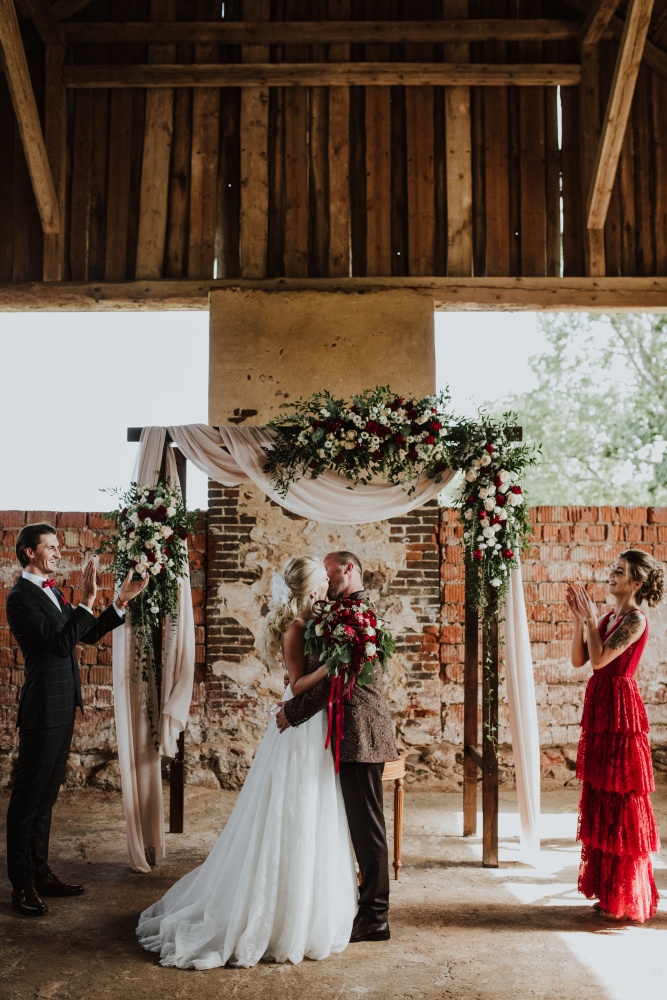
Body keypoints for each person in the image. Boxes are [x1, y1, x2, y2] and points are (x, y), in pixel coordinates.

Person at [136, 555, 357, 968]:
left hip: (316, 726)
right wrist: (331, 666)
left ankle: (308, 910)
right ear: (312, 589)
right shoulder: (295, 628)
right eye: (323, 583)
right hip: (299, 727)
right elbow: (296, 684)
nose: (329, 588)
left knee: (315, 808)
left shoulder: (317, 619)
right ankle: (270, 916)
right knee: (291, 808)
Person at [6, 522, 147, 917]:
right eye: (50, 546)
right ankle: (21, 885)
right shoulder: (20, 599)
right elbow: (59, 644)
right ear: (29, 552)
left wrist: (118, 603)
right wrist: (86, 600)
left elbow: (83, 635)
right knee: (27, 799)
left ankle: (41, 873)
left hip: (63, 705)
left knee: (47, 796)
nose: (57, 551)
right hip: (42, 709)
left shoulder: (52, 593)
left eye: (58, 545)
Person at [276, 550, 398, 944]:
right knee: (358, 826)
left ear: (349, 568)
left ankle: (375, 917)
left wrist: (294, 711)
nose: (325, 581)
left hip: (362, 732)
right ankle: (362, 907)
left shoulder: (359, 616)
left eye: (329, 572)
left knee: (367, 828)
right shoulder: (344, 611)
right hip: (350, 732)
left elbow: (340, 679)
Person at [567, 549, 663, 922]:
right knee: (602, 795)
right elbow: (580, 660)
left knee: (621, 798)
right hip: (601, 706)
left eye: (620, 571)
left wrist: (591, 620)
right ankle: (609, 893)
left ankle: (624, 897)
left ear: (636, 583)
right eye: (613, 568)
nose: (612, 574)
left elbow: (601, 660)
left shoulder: (636, 619)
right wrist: (581, 620)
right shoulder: (609, 617)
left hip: (621, 711)